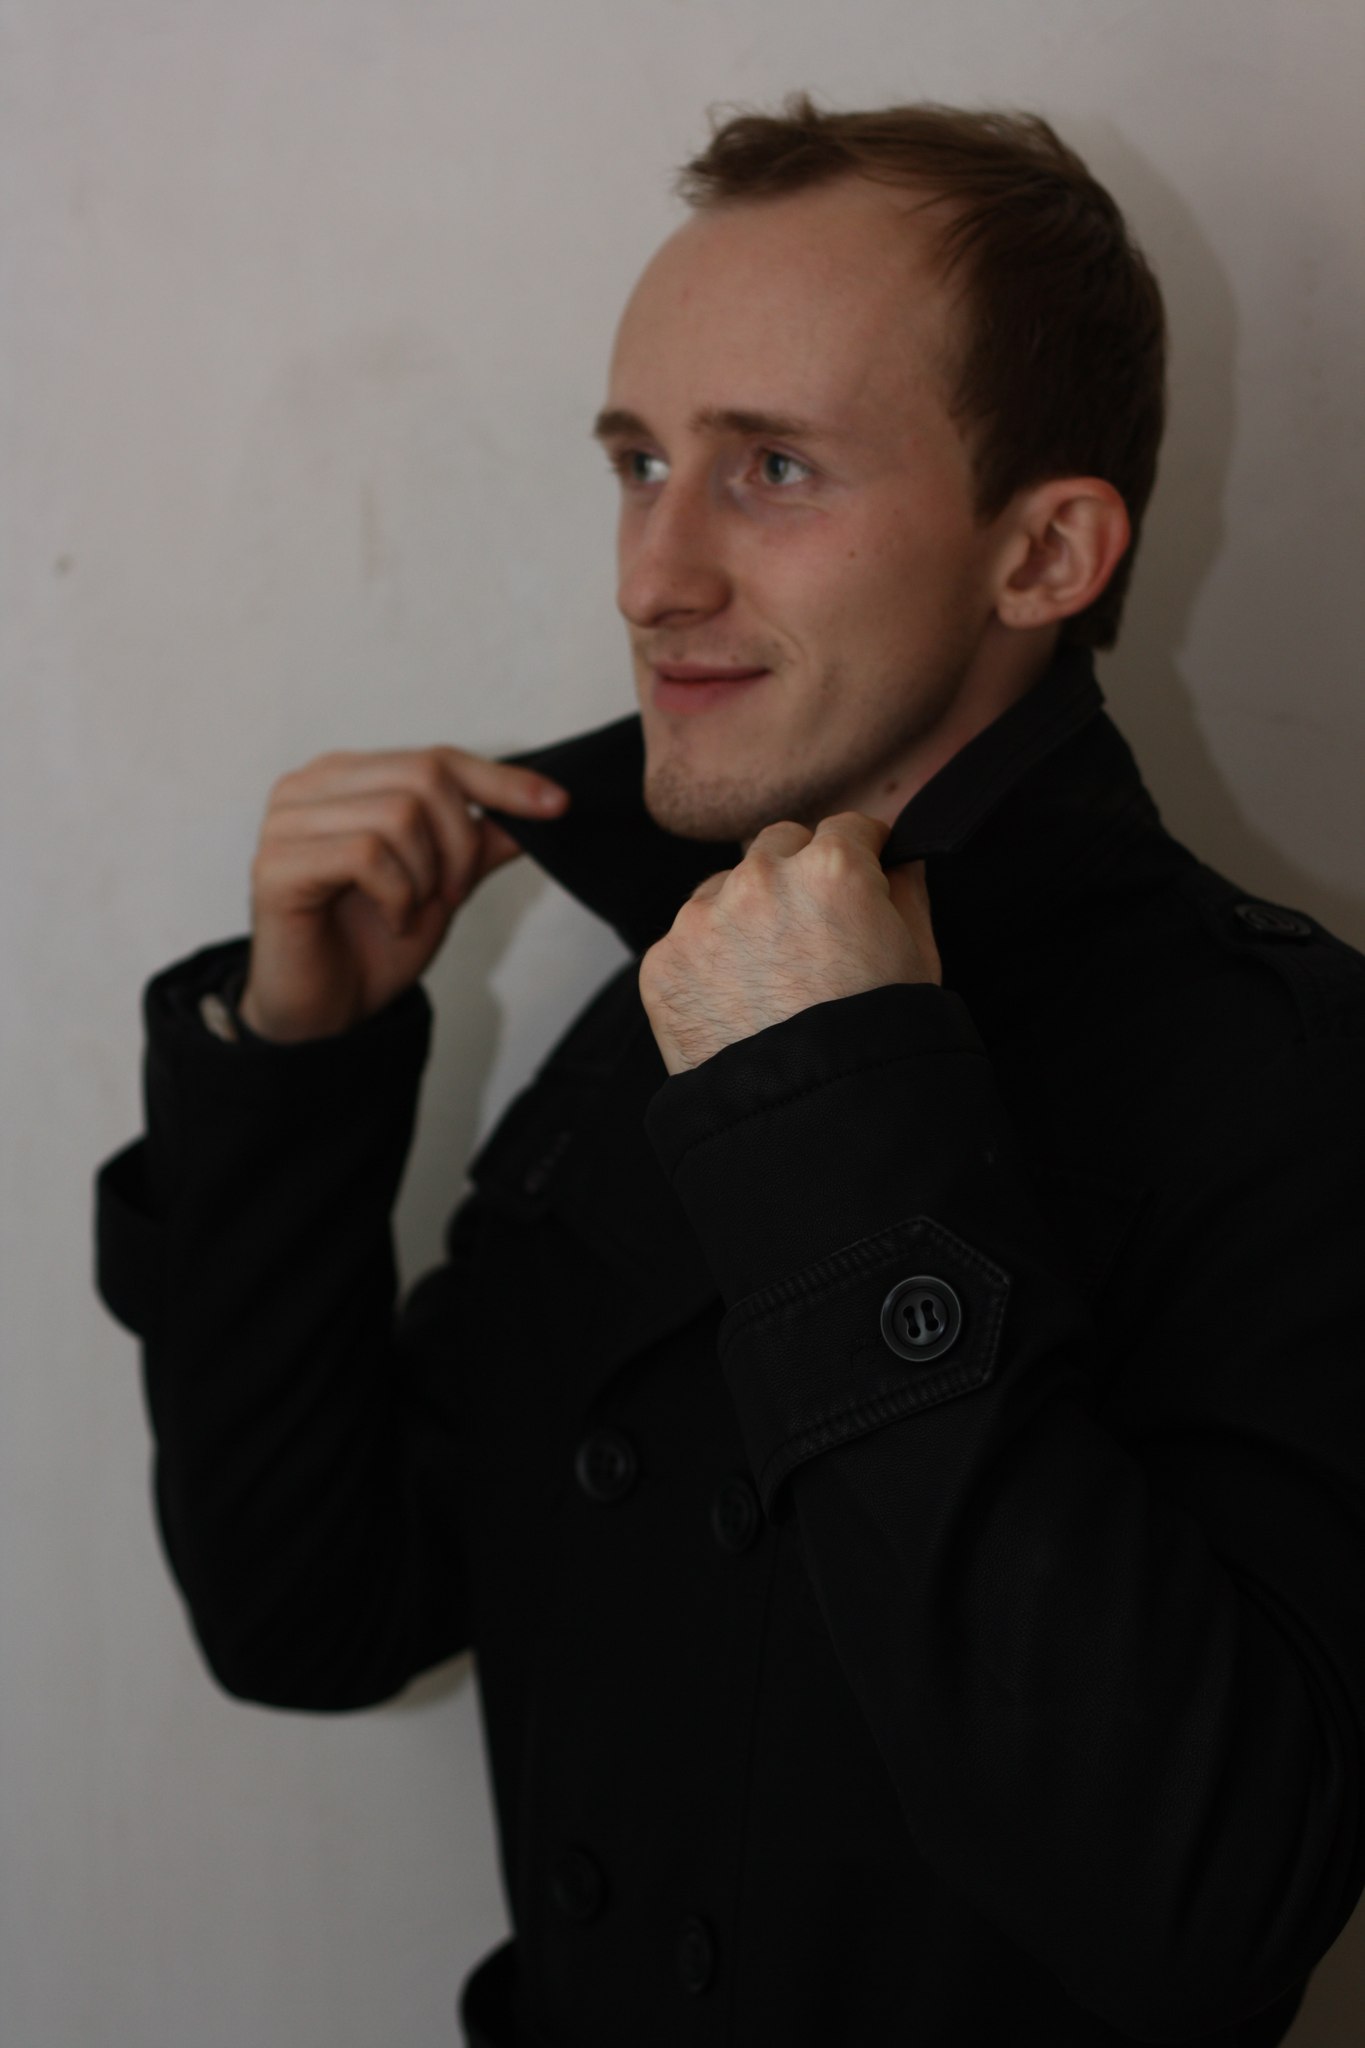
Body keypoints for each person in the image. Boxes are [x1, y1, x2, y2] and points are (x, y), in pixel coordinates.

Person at [94, 97, 1365, 2047]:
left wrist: (839, 1116)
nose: (650, 574)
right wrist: (294, 1068)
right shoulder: (671, 988)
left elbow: (1197, 1911)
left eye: (769, 466)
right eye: (637, 461)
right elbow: (315, 1613)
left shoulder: (1287, 1079)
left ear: (1042, 549)